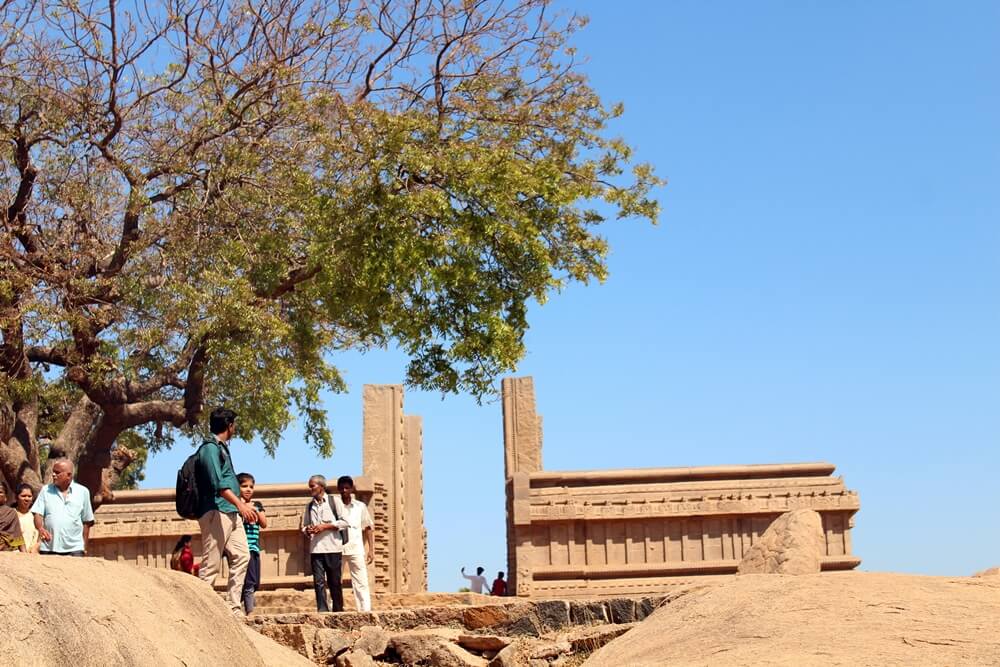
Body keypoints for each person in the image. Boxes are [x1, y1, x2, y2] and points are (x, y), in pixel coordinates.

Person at [195, 407, 257, 617]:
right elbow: (217, 484)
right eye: (234, 425)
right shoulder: (209, 449)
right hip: (216, 511)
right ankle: (200, 610)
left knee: (242, 556)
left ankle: (233, 607)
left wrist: (239, 506)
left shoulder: (222, 448)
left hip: (232, 512)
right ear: (229, 426)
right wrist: (241, 505)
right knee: (211, 564)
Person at [301, 474, 346, 612]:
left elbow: (344, 522)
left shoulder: (334, 501)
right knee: (318, 582)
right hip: (316, 549)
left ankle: (338, 610)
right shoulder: (309, 506)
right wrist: (308, 530)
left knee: (334, 582)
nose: (311, 489)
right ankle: (322, 610)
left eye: (313, 486)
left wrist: (325, 526)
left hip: (332, 547)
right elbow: (304, 526)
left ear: (321, 486)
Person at [31, 459, 94, 556]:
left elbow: (87, 522)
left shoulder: (83, 492)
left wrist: (84, 546)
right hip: (49, 547)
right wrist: (40, 528)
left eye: (57, 472)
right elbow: (38, 513)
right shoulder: (45, 490)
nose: (53, 475)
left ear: (68, 475)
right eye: (53, 472)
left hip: (75, 549)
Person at [333, 476, 375, 612]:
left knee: (361, 581)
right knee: (334, 581)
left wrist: (371, 550)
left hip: (356, 548)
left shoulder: (360, 507)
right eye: (342, 488)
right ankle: (336, 609)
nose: (344, 490)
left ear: (352, 489)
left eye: (347, 488)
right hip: (337, 548)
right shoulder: (334, 506)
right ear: (338, 489)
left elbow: (368, 527)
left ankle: (364, 610)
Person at [237, 472, 267, 614]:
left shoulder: (257, 505)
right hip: (243, 548)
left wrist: (254, 510)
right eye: (244, 486)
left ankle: (235, 602)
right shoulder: (235, 506)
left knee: (256, 582)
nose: (248, 489)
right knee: (249, 581)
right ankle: (250, 611)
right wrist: (242, 509)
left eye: (251, 486)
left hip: (254, 548)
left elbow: (264, 523)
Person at [14, 484, 40, 553]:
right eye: (23, 496)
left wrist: (34, 549)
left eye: (29, 496)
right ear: (16, 498)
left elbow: (38, 538)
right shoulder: (11, 514)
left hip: (31, 555)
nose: (26, 499)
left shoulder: (35, 516)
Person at [0, 486, 25, 552]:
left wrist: (25, 555)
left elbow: (18, 535)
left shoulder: (11, 513)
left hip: (6, 551)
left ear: (5, 496)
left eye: (0, 492)